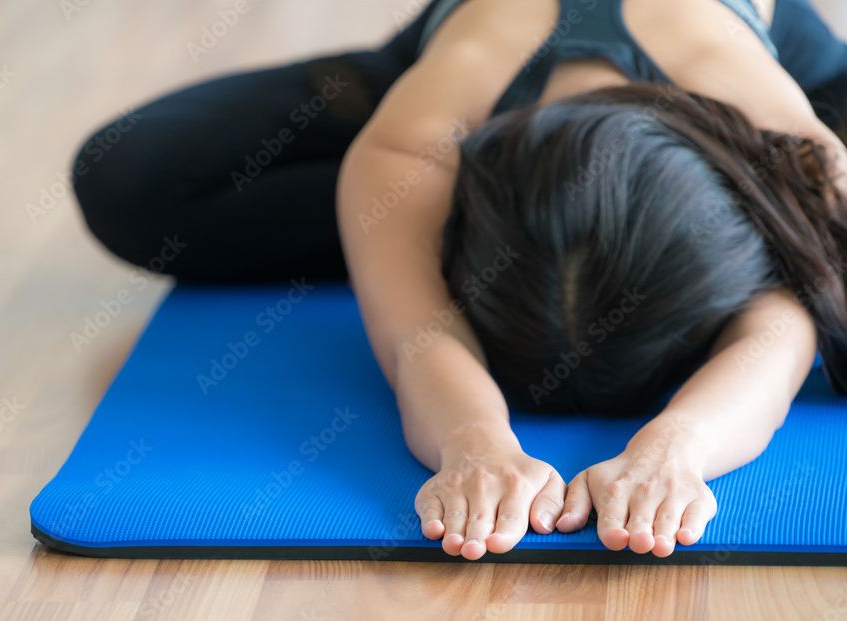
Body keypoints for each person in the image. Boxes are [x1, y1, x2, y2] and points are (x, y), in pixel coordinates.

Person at [71, 0, 847, 560]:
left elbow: (781, 332)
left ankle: (383, 237)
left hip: (762, 63)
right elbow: (421, 342)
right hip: (465, 51)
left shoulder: (784, 142)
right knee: (129, 183)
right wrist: (473, 439)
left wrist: (681, 444)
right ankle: (381, 222)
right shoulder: (418, 138)